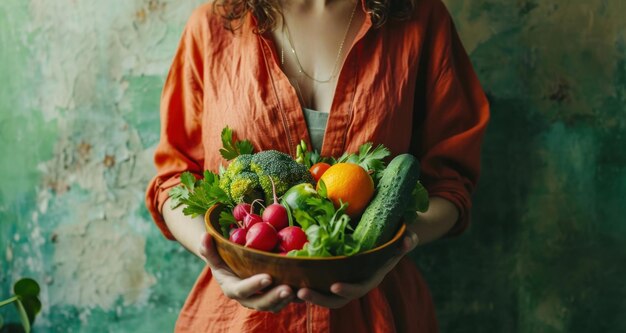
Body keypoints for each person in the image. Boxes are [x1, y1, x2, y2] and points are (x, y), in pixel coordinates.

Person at [145, 0, 489, 331]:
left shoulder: (422, 19)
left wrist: (386, 252)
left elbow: (450, 185)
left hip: (380, 311)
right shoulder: (212, 26)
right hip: (235, 319)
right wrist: (221, 260)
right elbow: (176, 179)